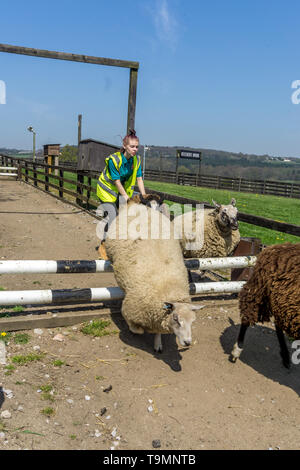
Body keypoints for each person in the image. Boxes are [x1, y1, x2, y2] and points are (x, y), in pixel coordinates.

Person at [96, 129, 146, 259]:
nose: (135, 149)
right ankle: (104, 245)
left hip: (120, 192)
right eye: (132, 146)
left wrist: (144, 196)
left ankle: (121, 245)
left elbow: (139, 179)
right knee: (113, 216)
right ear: (125, 146)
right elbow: (117, 181)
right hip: (106, 190)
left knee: (126, 218)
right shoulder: (114, 160)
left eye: (136, 147)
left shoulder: (136, 160)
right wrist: (126, 197)